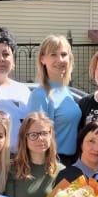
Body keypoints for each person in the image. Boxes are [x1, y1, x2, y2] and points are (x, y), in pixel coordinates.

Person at [28, 35, 82, 164]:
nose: (60, 59)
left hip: (72, 162)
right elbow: (36, 139)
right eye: (53, 54)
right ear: (42, 59)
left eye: (64, 54)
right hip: (52, 163)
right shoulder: (40, 95)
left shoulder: (67, 92)